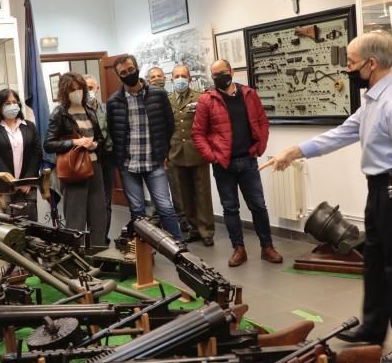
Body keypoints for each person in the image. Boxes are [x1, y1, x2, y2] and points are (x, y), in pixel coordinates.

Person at [261, 32, 392, 363]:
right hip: (380, 189)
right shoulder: (373, 100)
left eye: (352, 63)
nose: (348, 69)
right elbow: (341, 133)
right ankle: (372, 330)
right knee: (374, 263)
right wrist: (294, 151)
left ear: (372, 64)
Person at [192, 59, 283, 267]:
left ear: (231, 71)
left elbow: (262, 122)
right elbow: (198, 133)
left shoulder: (249, 94)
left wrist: (259, 147)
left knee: (258, 206)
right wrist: (212, 156)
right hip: (223, 164)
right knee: (230, 208)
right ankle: (238, 249)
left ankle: (267, 247)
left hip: (248, 160)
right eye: (215, 75)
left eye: (222, 73)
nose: (219, 77)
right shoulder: (207, 100)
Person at [105, 55, 183, 241]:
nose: (128, 74)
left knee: (165, 207)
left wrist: (164, 153)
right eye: (123, 72)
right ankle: (145, 253)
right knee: (138, 211)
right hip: (129, 165)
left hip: (154, 161)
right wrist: (119, 162)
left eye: (131, 69)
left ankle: (178, 248)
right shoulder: (114, 102)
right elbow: (114, 133)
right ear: (118, 76)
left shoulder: (158, 94)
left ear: (137, 68)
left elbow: (169, 126)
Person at [44, 72, 107, 247]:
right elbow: (49, 144)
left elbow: (101, 138)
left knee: (98, 216)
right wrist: (74, 142)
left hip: (95, 167)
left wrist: (95, 144)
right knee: (75, 218)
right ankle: (74, 260)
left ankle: (98, 255)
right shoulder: (59, 113)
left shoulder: (90, 110)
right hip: (74, 170)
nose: (77, 92)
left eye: (80, 89)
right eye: (73, 90)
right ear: (65, 92)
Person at [168, 64, 214, 246]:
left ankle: (207, 231)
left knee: (203, 194)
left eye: (183, 76)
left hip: (198, 152)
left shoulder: (200, 97)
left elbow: (209, 124)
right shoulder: (168, 100)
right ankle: (194, 228)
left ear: (190, 79)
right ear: (171, 79)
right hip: (177, 152)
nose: (180, 79)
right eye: (177, 76)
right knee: (184, 195)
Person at [0, 88, 41, 219]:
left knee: (31, 226)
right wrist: (11, 181)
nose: (12, 105)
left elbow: (36, 153)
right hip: (4, 185)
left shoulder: (29, 126)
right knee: (8, 226)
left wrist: (27, 180)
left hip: (28, 186)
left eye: (15, 102)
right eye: (7, 103)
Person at [85, 74, 116, 243]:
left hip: (106, 160)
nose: (89, 91)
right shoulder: (77, 112)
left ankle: (103, 237)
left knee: (106, 202)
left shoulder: (106, 108)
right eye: (85, 88)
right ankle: (92, 237)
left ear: (97, 89)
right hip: (87, 162)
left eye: (91, 88)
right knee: (91, 203)